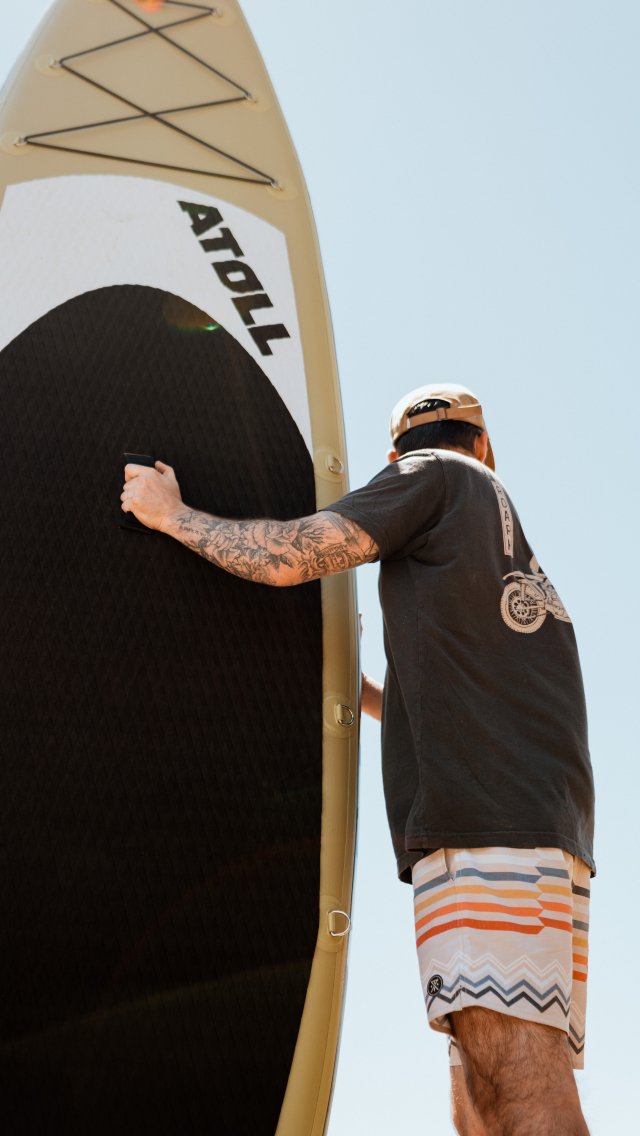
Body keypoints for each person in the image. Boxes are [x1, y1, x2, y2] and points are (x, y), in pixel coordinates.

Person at [121, 383, 595, 1136]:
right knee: (483, 1091)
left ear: (394, 454)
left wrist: (171, 515)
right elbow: (447, 696)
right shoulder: (497, 546)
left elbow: (291, 556)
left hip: (483, 828)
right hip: (537, 833)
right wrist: (357, 688)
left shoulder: (431, 475)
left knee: (513, 1084)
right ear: (484, 441)